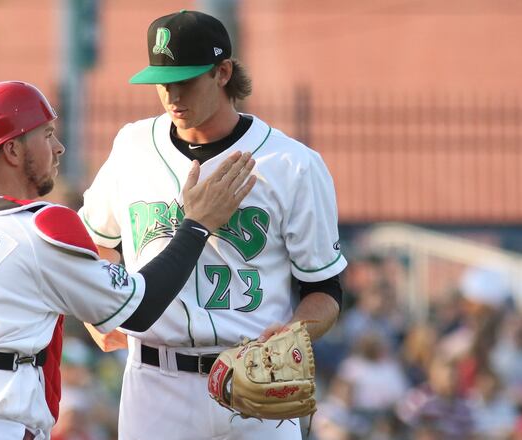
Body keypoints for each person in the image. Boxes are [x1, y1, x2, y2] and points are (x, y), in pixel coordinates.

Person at [0, 80, 256, 440]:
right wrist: (196, 225)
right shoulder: (35, 229)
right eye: (47, 134)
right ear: (13, 149)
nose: (58, 147)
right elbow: (139, 308)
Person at [79, 10, 347, 439]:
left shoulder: (291, 164)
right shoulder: (132, 147)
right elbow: (90, 244)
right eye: (162, 82)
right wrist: (98, 308)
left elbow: (326, 289)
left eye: (185, 80)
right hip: (154, 380)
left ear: (223, 72)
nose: (171, 94)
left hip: (254, 382)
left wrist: (298, 329)